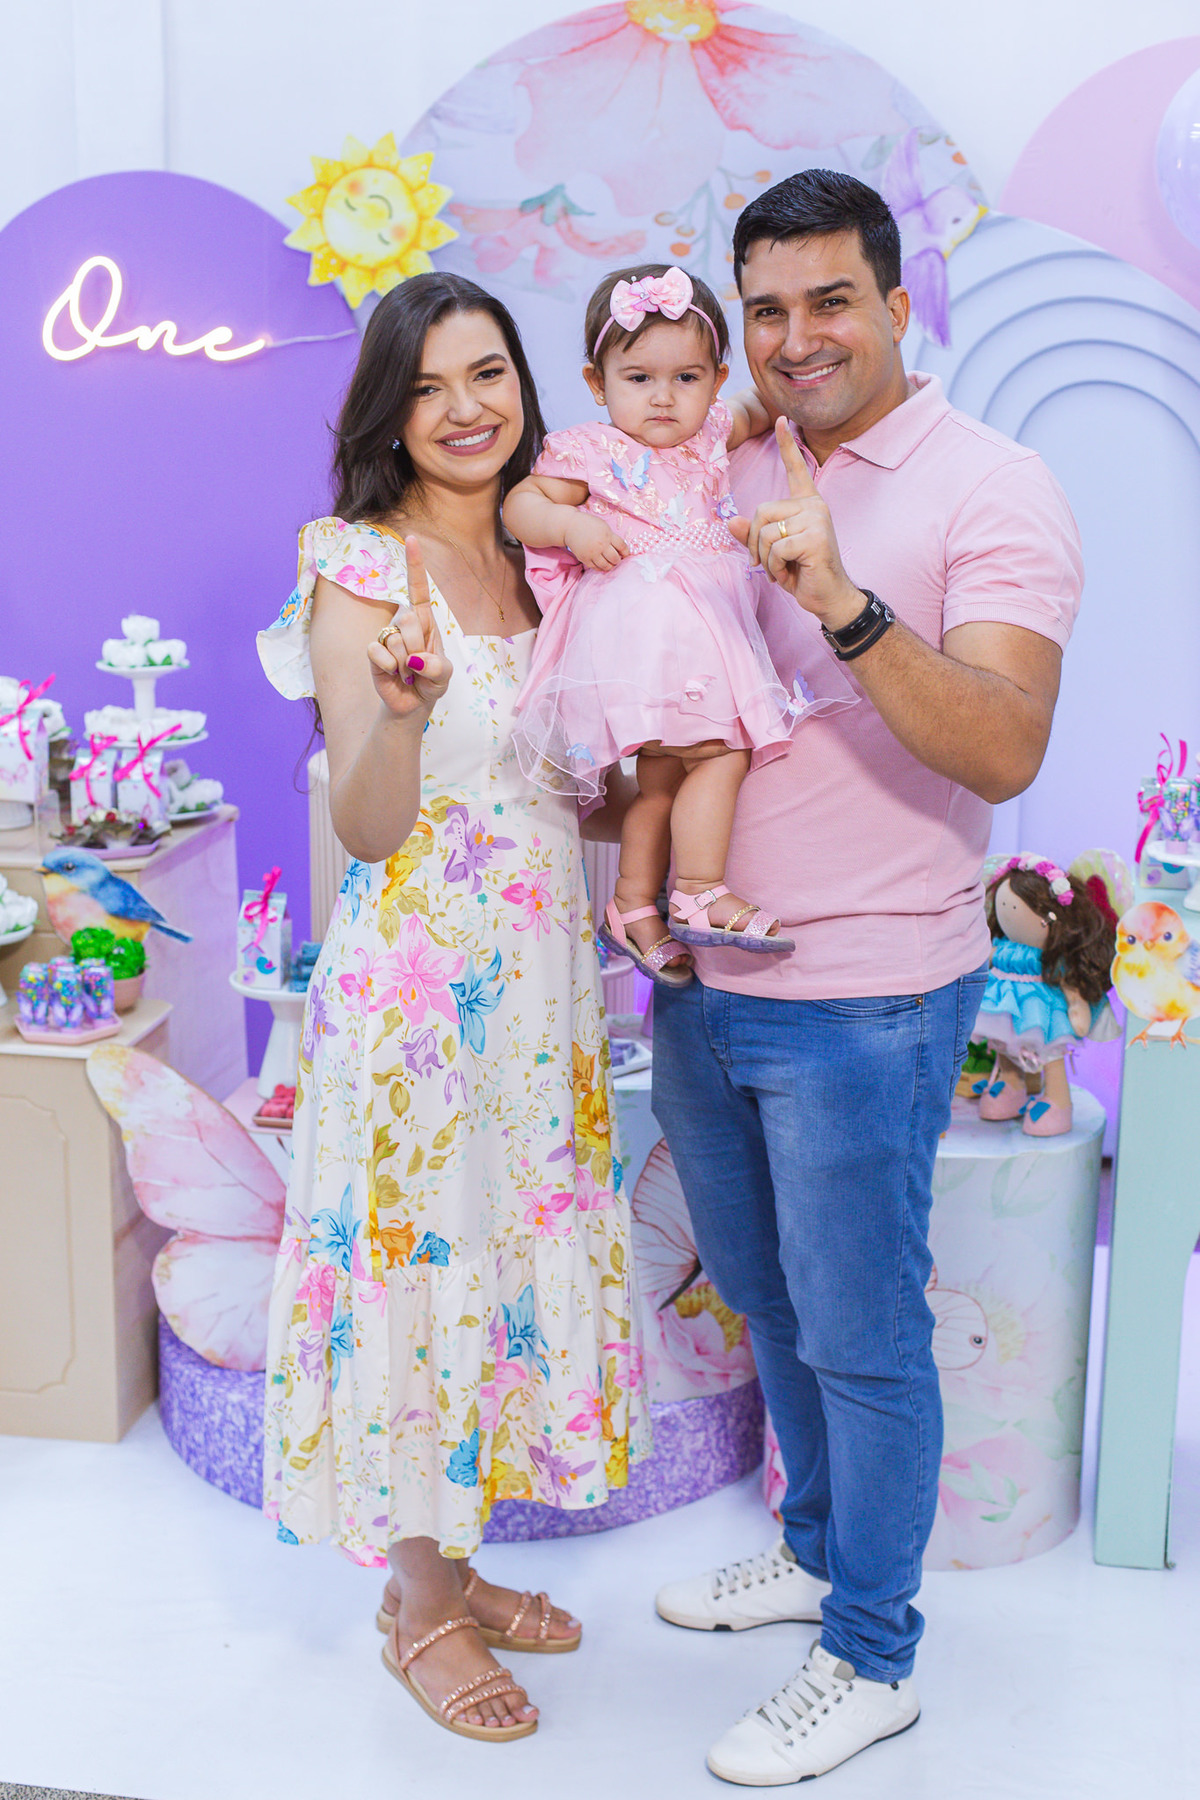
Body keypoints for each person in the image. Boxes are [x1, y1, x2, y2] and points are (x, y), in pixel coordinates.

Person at [649, 170, 1082, 1785]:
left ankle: (874, 1654)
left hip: (868, 996)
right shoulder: (726, 456)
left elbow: (1006, 741)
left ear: (898, 305)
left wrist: (840, 600)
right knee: (763, 1294)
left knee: (862, 1332)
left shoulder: (996, 486)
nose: (795, 338)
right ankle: (818, 1547)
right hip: (704, 978)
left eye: (831, 301)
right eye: (765, 309)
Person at [256, 272, 648, 1744]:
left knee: (501, 1244)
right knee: (424, 1257)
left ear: (522, 387)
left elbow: (562, 792)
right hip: (419, 1001)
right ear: (388, 412)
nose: (464, 408)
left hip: (541, 992)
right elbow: (367, 825)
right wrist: (406, 720)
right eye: (426, 386)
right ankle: (418, 1601)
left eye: (486, 374)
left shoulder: (548, 558)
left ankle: (458, 1559)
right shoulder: (362, 566)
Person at [503, 263, 851, 986]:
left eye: (686, 378)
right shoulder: (591, 450)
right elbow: (521, 506)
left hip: (702, 628)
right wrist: (569, 526)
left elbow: (765, 402)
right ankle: (697, 887)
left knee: (660, 779)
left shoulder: (711, 432)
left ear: (715, 380)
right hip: (640, 634)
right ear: (597, 383)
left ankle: (632, 904)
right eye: (638, 379)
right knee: (720, 754)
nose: (663, 397)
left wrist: (826, 390)